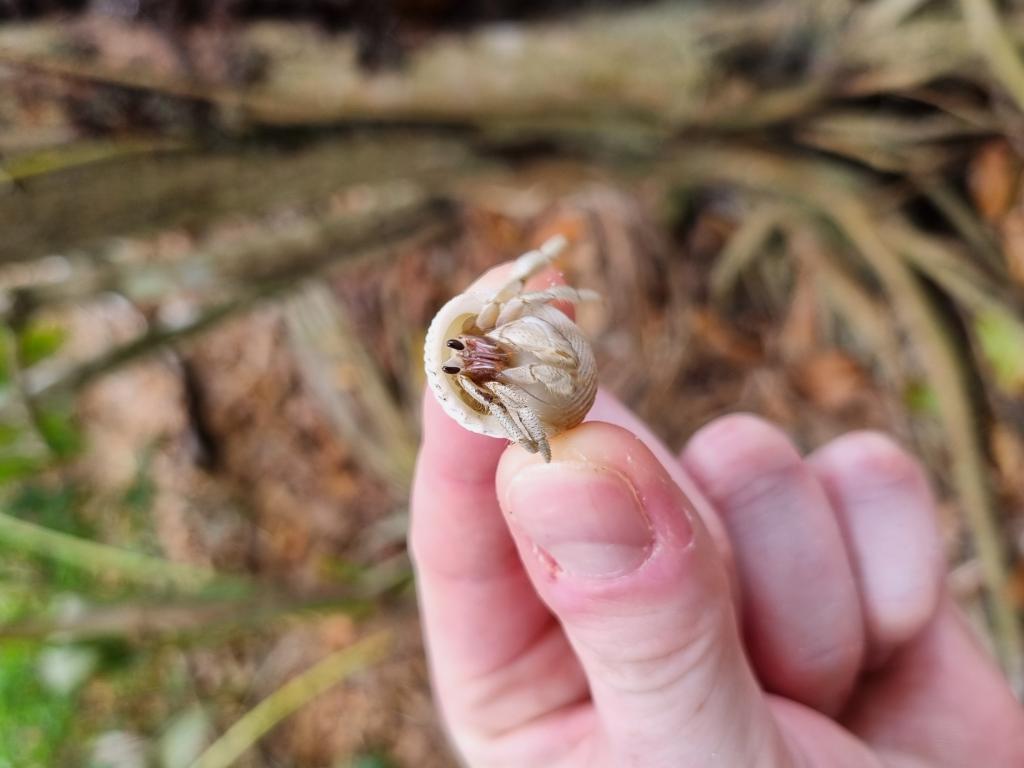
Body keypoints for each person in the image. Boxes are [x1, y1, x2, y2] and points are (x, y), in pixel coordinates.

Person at [410, 262, 1024, 767]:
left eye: (469, 345)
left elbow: (514, 300)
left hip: (549, 372)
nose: (474, 351)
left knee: (741, 461)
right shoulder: (486, 387)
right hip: (535, 401)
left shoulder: (490, 329)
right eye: (465, 355)